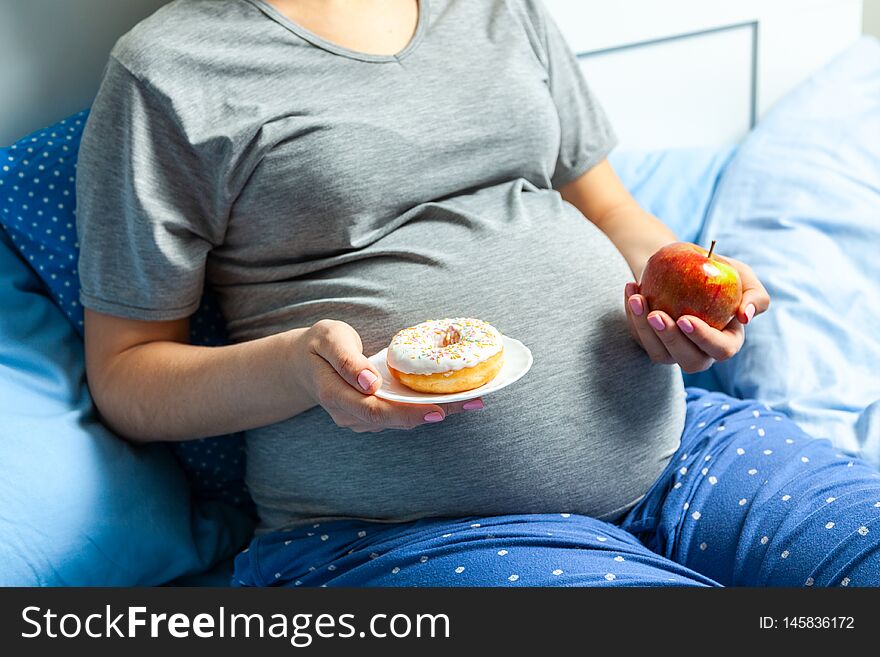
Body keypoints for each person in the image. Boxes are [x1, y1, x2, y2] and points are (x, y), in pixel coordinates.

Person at [76, 0, 880, 586]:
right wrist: (295, 370)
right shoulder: (169, 68)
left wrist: (690, 303)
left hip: (680, 449)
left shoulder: (496, 6)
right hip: (401, 538)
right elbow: (127, 374)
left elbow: (610, 209)